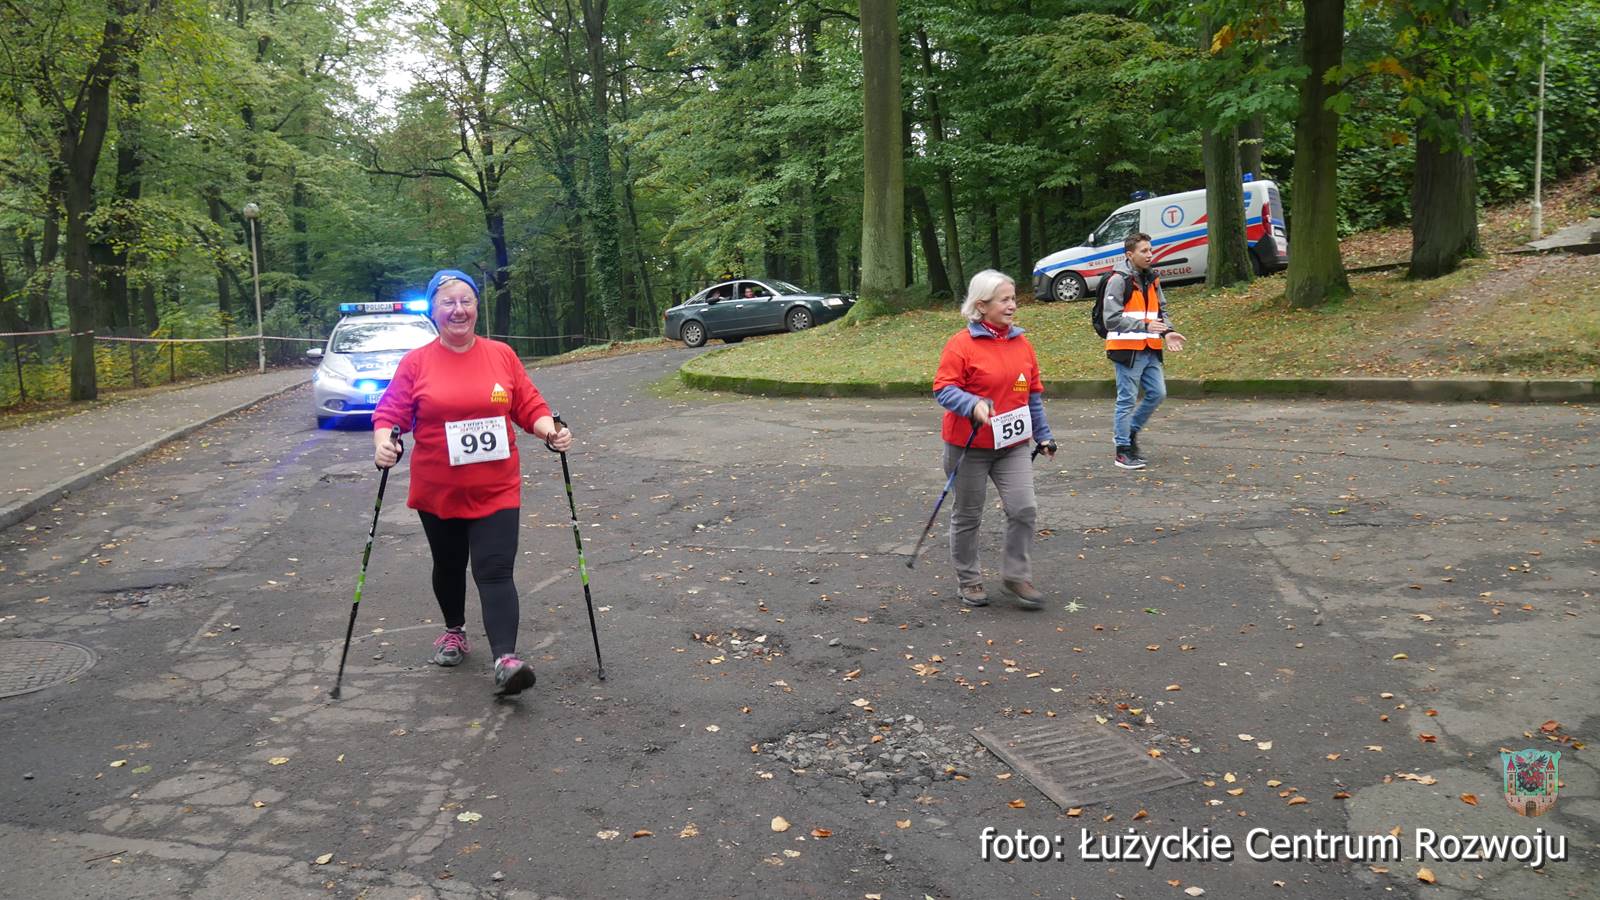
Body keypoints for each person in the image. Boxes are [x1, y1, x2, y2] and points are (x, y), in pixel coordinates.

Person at [372, 269, 574, 695]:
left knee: (495, 569)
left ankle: (506, 660)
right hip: (438, 490)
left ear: (477, 307)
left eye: (466, 301)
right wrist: (384, 444)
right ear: (434, 310)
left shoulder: (501, 355)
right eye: (448, 302)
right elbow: (390, 414)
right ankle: (454, 631)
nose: (458, 310)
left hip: (496, 487)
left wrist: (550, 431)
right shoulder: (416, 363)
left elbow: (529, 405)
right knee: (448, 566)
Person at [931, 270, 1057, 609]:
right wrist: (972, 404)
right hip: (968, 446)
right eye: (1004, 300)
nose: (1012, 305)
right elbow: (943, 389)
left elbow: (1031, 395)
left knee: (1024, 508)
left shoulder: (1022, 344)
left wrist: (1043, 435)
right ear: (982, 305)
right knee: (968, 515)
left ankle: (1016, 576)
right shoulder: (961, 344)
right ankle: (969, 579)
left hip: (1012, 446)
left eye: (1013, 298)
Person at [1102, 233, 1185, 470]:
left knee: (1158, 393)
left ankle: (1129, 432)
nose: (1150, 255)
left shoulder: (1152, 278)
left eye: (1150, 250)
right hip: (1127, 349)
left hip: (1150, 347)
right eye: (1144, 251)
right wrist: (1145, 326)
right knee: (1127, 400)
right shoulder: (1118, 280)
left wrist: (1168, 331)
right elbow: (1111, 319)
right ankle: (1122, 451)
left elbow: (1161, 310)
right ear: (1130, 255)